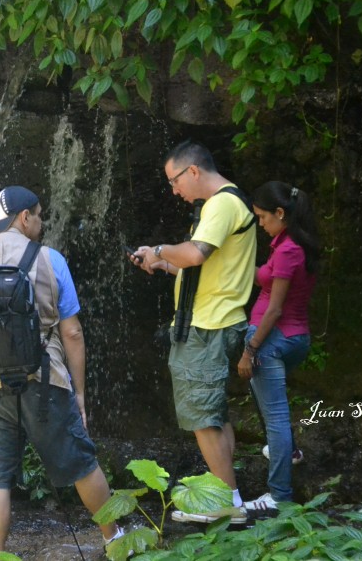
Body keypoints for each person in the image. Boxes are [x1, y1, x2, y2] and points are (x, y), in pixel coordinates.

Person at [0, 186, 123, 554]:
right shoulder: (51, 259)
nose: (41, 222)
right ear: (24, 217)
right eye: (39, 215)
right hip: (45, 381)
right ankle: (116, 541)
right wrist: (79, 393)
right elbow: (72, 332)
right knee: (82, 464)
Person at [131, 141, 257, 522]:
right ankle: (226, 496)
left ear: (193, 171)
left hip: (208, 327)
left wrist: (159, 249)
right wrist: (161, 264)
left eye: (174, 181)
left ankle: (226, 503)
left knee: (203, 418)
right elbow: (199, 268)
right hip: (217, 320)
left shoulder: (221, 204)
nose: (174, 191)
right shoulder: (226, 203)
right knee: (214, 414)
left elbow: (195, 254)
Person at [236, 182, 319, 512]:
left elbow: (274, 309)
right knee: (270, 403)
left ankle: (279, 496)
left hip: (272, 342)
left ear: (280, 213)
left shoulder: (287, 250)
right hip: (296, 338)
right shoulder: (291, 244)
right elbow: (266, 277)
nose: (260, 223)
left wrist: (250, 350)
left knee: (276, 420)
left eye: (262, 217)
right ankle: (290, 452)